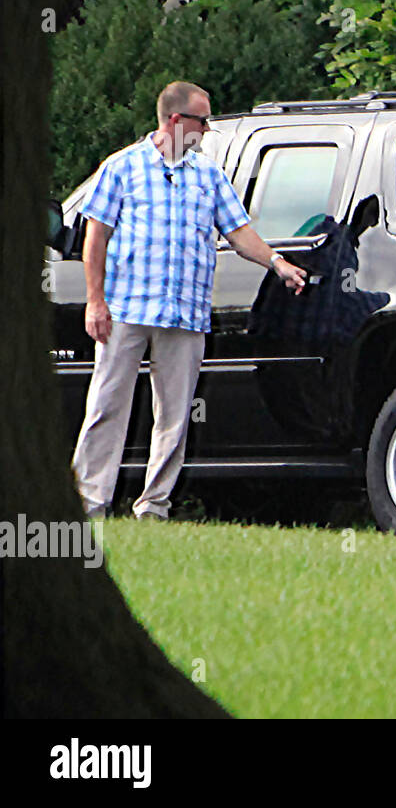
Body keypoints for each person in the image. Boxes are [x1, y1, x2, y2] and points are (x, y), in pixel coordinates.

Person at [72, 81, 307, 520]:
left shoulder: (208, 175)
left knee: (175, 416)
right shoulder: (122, 168)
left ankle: (154, 505)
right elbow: (95, 236)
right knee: (106, 407)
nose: (208, 128)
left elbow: (238, 232)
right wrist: (94, 301)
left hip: (186, 312)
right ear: (176, 121)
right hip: (127, 309)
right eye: (203, 120)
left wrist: (277, 263)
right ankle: (90, 502)